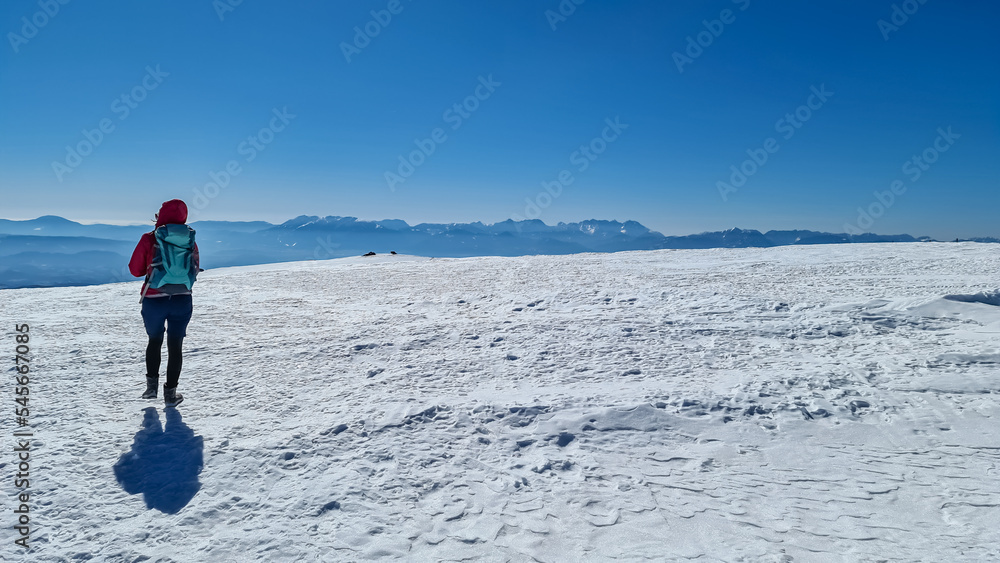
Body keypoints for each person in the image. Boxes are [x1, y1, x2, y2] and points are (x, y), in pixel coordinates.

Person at [129, 199, 199, 407]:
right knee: (175, 346)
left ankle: (151, 389)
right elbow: (194, 267)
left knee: (154, 341)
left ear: (161, 215)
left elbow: (135, 269)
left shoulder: (149, 239)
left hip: (154, 300)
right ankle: (171, 395)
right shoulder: (189, 239)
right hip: (182, 299)